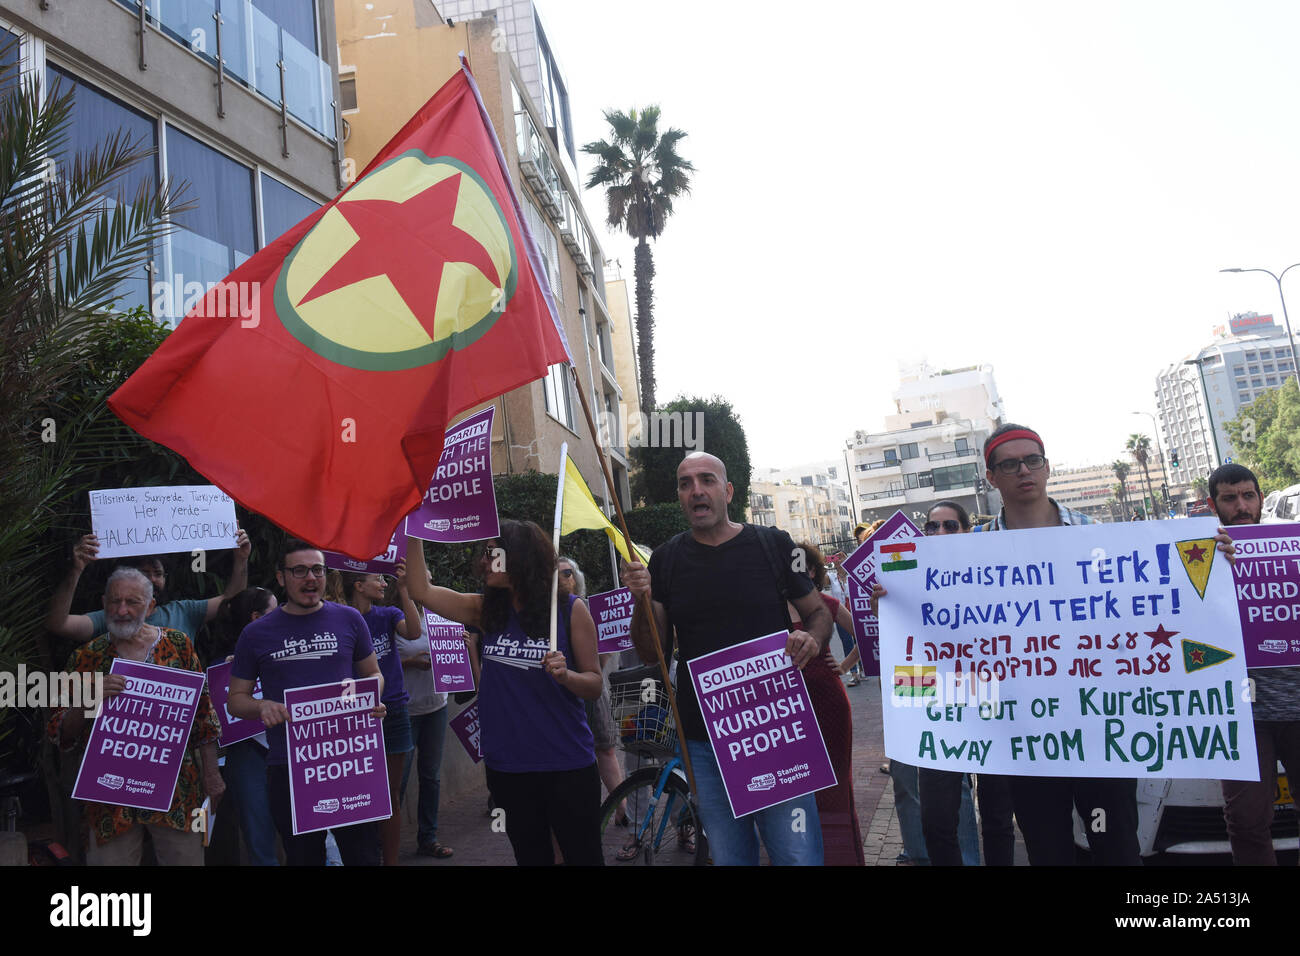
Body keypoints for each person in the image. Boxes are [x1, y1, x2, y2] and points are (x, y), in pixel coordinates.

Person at [624, 451, 832, 866]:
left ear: (728, 490)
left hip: (774, 730)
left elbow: (818, 612)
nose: (696, 490)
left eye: (706, 480)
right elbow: (652, 652)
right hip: (703, 738)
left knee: (797, 854)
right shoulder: (664, 560)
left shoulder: (774, 545)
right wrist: (641, 599)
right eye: (685, 484)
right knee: (729, 856)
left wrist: (811, 639)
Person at [404, 522, 605, 866]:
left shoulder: (570, 610)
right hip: (508, 769)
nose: (482, 561)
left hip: (567, 764)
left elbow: (594, 683)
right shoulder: (485, 610)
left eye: (490, 553)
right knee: (531, 857)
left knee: (583, 856)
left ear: (519, 558)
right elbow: (421, 590)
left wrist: (566, 675)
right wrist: (413, 523)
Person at [48, 567, 223, 865]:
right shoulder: (87, 657)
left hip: (176, 791)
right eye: (115, 602)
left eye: (133, 602)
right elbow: (60, 732)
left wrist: (212, 773)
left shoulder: (178, 646)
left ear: (151, 606)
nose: (122, 610)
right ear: (103, 604)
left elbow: (203, 715)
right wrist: (88, 701)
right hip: (109, 797)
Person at [227, 539, 386, 866]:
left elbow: (373, 674)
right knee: (303, 858)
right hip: (289, 765)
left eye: (317, 570)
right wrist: (262, 707)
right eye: (299, 571)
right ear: (281, 577)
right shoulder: (256, 634)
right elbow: (235, 700)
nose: (310, 578)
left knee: (364, 856)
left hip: (349, 760)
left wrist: (370, 698)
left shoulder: (350, 619)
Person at [914, 501, 1015, 866]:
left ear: (967, 530)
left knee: (998, 817)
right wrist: (886, 610)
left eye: (949, 526)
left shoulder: (994, 573)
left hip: (994, 706)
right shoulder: (910, 577)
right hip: (941, 709)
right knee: (936, 820)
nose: (939, 533)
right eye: (932, 526)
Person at [1209, 462, 1300, 865]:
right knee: (1246, 820)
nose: (1241, 505)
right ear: (1214, 506)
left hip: (1297, 704)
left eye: (1248, 495)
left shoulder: (1293, 544)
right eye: (1230, 498)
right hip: (1243, 712)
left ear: (1262, 498)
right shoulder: (1200, 557)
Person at [788, 542, 864, 865]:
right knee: (798, 786)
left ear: (813, 572)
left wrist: (846, 666)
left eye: (800, 567)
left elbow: (865, 632)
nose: (793, 573)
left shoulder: (828, 604)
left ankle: (841, 856)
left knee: (835, 784)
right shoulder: (772, 610)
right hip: (790, 713)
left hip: (830, 705)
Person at [342, 567, 421, 866]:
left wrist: (404, 589)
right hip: (354, 717)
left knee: (390, 797)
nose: (384, 583)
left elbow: (413, 633)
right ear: (359, 585)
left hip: (394, 711)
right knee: (358, 795)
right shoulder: (339, 618)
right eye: (379, 579)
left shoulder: (387, 614)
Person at [45, 529, 251, 644]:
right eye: (145, 574)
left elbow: (233, 601)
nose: (152, 580)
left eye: (158, 574)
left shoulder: (185, 612)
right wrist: (76, 570)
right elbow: (58, 624)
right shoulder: (113, 615)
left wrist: (241, 560)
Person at [558, 556, 628, 839]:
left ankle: (622, 808)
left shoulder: (587, 610)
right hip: (561, 696)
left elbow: (601, 661)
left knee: (606, 750)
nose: (562, 578)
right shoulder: (543, 614)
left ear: (576, 578)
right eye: (556, 573)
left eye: (567, 572)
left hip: (589, 693)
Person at [213, 587, 280, 866]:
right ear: (255, 618)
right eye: (275, 611)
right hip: (247, 753)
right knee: (258, 834)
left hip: (290, 747)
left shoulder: (292, 649)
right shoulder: (220, 669)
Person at [397, 579, 453, 859]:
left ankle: (428, 838)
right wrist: (409, 663)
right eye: (424, 580)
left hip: (436, 707)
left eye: (430, 580)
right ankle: (385, 841)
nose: (428, 584)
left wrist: (463, 647)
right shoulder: (394, 620)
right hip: (405, 712)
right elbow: (378, 661)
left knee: (431, 777)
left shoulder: (440, 617)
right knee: (399, 780)